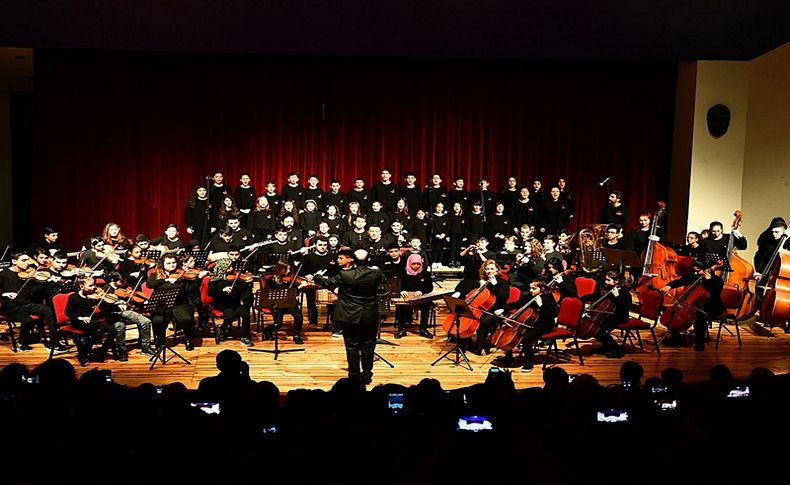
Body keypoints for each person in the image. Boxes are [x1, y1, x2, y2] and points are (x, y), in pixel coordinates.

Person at [309, 249, 386, 385]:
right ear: (368, 260)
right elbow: (384, 280)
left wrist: (317, 277)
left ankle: (354, 375)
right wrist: (374, 269)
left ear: (353, 260)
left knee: (352, 345)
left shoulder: (345, 275)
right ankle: (367, 375)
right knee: (368, 346)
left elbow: (327, 283)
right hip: (369, 315)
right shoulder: (376, 273)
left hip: (349, 315)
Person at [492, 278, 558, 371]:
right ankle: (508, 358)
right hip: (533, 323)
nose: (531, 290)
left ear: (542, 289)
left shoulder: (548, 299)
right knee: (510, 330)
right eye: (530, 288)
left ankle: (529, 362)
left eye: (534, 289)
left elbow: (552, 314)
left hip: (545, 325)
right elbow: (518, 303)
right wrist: (503, 309)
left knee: (526, 336)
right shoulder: (530, 297)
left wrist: (541, 305)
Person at [660, 259, 724, 351]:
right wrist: (669, 286)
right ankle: (676, 338)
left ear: (705, 269)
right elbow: (680, 281)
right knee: (675, 312)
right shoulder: (693, 277)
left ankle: (700, 345)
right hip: (694, 306)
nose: (695, 273)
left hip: (712, 307)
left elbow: (715, 294)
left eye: (698, 271)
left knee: (700, 317)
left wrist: (708, 281)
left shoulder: (717, 281)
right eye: (693, 271)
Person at [146, 253, 202, 350]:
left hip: (180, 303)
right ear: (162, 264)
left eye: (174, 263)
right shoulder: (156, 274)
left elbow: (190, 289)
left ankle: (189, 340)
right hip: (162, 304)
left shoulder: (182, 274)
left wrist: (199, 279)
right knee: (158, 320)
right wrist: (166, 280)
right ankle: (160, 341)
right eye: (168, 263)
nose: (172, 265)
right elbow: (149, 284)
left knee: (187, 319)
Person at [0, 253, 55, 351]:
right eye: (24, 260)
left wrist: (48, 281)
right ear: (14, 262)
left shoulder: (29, 274)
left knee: (50, 311)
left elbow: (34, 291)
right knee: (28, 320)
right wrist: (4, 294)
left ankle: (54, 342)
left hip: (26, 304)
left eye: (28, 260)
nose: (28, 263)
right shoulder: (4, 273)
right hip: (10, 306)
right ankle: (22, 342)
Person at [64, 276, 121, 364]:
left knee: (113, 331)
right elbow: (68, 312)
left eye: (94, 285)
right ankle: (82, 355)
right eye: (90, 286)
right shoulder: (73, 297)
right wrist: (81, 318)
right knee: (95, 333)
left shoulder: (91, 297)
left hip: (91, 320)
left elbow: (104, 307)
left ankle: (102, 351)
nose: (94, 287)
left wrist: (115, 302)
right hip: (78, 321)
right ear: (82, 286)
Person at [208, 245, 255, 346]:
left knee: (245, 314)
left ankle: (245, 337)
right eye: (229, 267)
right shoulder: (214, 281)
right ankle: (221, 329)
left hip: (234, 302)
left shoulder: (235, 279)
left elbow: (239, 292)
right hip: (221, 303)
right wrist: (223, 290)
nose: (231, 268)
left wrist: (246, 283)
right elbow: (211, 293)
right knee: (231, 315)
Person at [260, 260, 305, 344]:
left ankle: (296, 335)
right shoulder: (271, 280)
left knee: (298, 316)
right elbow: (267, 295)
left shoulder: (291, 279)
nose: (289, 271)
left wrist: (300, 287)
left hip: (289, 303)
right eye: (287, 269)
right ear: (281, 269)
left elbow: (295, 294)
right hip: (277, 304)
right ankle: (267, 331)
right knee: (279, 324)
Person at [472, 259, 511, 355]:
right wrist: (480, 288)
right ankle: (465, 342)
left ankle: (479, 347)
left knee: (484, 321)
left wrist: (495, 284)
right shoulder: (483, 282)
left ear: (497, 270)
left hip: (499, 309)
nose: (489, 271)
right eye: (487, 269)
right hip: (484, 308)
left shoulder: (503, 282)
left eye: (492, 269)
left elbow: (503, 297)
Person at [590, 271, 631, 358]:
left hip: (620, 317)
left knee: (600, 330)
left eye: (608, 280)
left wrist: (617, 296)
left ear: (616, 281)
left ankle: (617, 350)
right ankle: (606, 346)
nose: (606, 282)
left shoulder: (624, 291)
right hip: (610, 315)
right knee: (594, 328)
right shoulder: (609, 290)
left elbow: (625, 308)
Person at [394, 253, 434, 339]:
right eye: (413, 264)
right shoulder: (403, 273)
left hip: (420, 298)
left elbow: (429, 287)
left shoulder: (425, 274)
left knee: (426, 304)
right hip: (406, 297)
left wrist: (421, 291)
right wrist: (401, 290)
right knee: (400, 306)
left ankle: (423, 329)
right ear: (409, 263)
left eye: (418, 264)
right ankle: (402, 329)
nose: (416, 266)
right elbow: (397, 285)